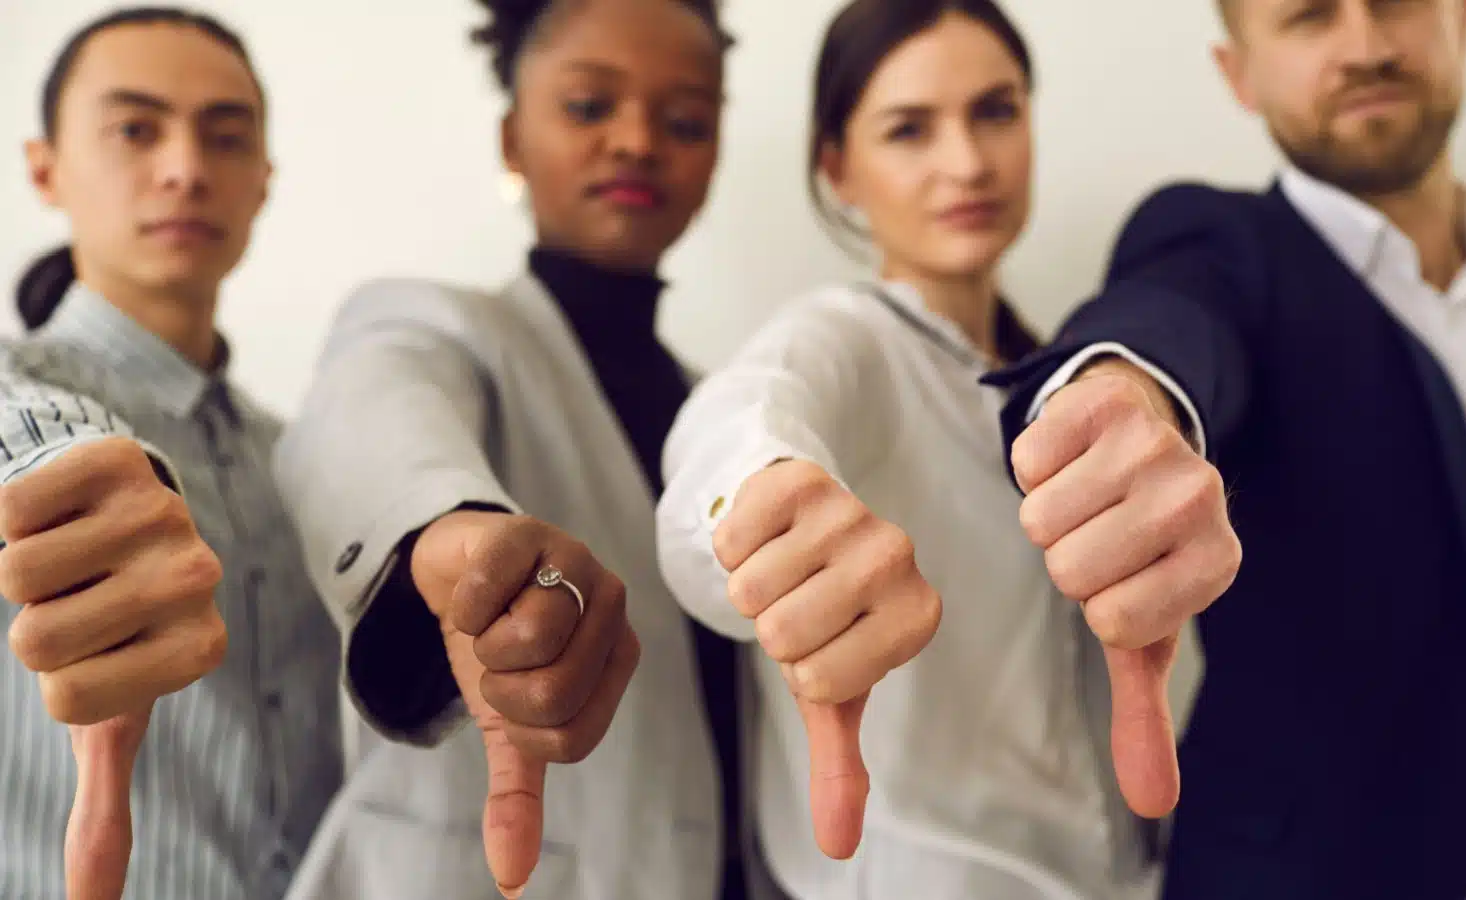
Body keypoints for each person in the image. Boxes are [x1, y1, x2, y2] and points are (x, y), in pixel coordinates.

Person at [986, 0, 1466, 897]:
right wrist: (1122, 389)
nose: (1364, 46)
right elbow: (1168, 318)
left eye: (1394, 2)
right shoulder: (1224, 248)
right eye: (1309, 17)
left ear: (1461, 19)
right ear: (1240, 73)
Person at [655, 1, 1240, 897]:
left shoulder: (1066, 381)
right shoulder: (846, 339)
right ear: (838, 167)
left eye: (995, 112)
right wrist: (757, 509)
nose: (966, 162)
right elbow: (736, 427)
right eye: (909, 130)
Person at [272, 1, 763, 898]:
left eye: (685, 119)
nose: (637, 141)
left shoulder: (726, 408)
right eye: (588, 106)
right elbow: (374, 412)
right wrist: (443, 532)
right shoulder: (432, 323)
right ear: (511, 137)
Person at [0, 8, 344, 900]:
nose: (186, 168)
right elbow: (23, 429)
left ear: (263, 180)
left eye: (225, 138)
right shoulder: (13, 381)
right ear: (46, 169)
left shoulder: (298, 458)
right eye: (135, 130)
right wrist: (70, 471)